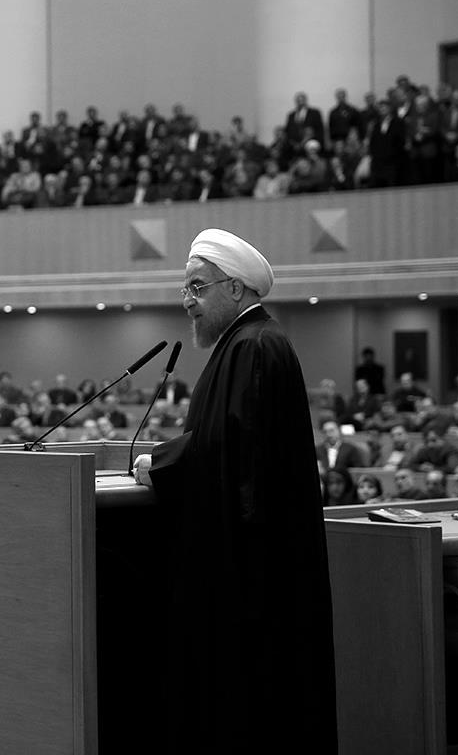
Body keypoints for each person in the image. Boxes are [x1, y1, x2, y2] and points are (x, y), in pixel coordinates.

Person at [132, 228, 337, 752]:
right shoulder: (247, 344)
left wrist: (157, 464)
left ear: (237, 289)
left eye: (198, 288)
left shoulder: (253, 347)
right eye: (186, 290)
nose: (188, 302)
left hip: (253, 577)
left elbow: (226, 452)